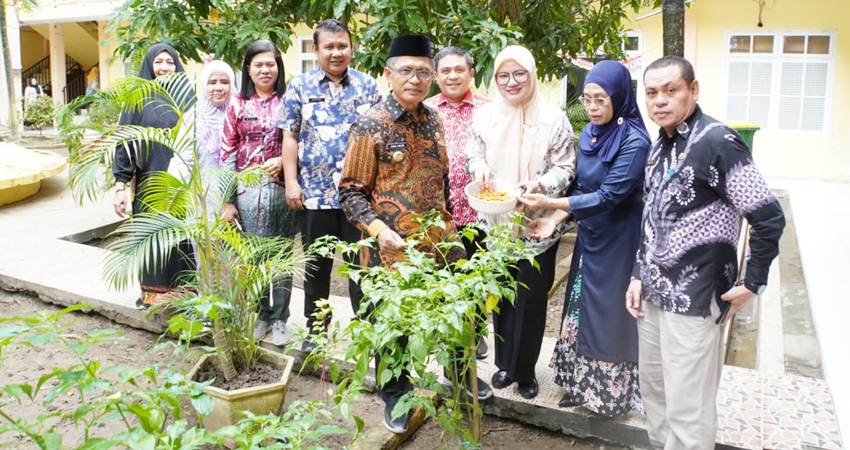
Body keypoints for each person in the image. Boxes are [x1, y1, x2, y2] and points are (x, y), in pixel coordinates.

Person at [626, 56, 785, 449]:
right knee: (656, 396)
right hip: (653, 297)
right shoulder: (659, 145)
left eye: (670, 90)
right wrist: (636, 274)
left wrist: (753, 281)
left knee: (689, 409)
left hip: (695, 302)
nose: (660, 100)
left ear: (693, 91)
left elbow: (768, 216)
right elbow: (652, 217)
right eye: (651, 93)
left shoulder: (718, 141)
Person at [339, 34, 491, 434]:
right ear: (389, 74)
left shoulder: (433, 119)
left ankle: (461, 380)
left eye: (424, 72)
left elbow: (438, 180)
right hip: (390, 251)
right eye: (406, 71)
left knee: (460, 316)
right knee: (394, 332)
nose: (415, 79)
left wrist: (450, 227)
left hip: (441, 243)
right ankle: (397, 399)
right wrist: (377, 229)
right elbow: (350, 192)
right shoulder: (369, 124)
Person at [519, 60, 649, 416]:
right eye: (587, 99)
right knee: (580, 307)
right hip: (590, 238)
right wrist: (555, 219)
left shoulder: (635, 141)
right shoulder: (590, 133)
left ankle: (607, 394)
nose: (591, 107)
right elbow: (582, 187)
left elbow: (609, 195)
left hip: (619, 242)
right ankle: (578, 383)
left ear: (619, 97)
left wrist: (549, 202)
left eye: (600, 100)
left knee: (609, 313)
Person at [466, 45, 576, 400]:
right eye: (503, 75)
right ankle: (503, 365)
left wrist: (541, 185)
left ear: (531, 75)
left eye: (519, 74)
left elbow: (567, 167)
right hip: (496, 222)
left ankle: (526, 371)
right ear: (495, 78)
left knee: (530, 300)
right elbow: (474, 153)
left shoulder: (554, 118)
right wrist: (479, 168)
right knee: (500, 298)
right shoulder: (484, 117)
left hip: (537, 227)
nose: (511, 82)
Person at [279, 19, 381, 351]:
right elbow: (290, 136)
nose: (336, 52)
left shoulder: (368, 87)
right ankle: (316, 331)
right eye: (329, 47)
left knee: (362, 267)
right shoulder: (300, 87)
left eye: (342, 46)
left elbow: (380, 138)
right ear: (316, 50)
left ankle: (368, 331)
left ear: (352, 48)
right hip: (314, 195)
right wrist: (291, 182)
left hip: (359, 198)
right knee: (316, 268)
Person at [219, 40, 295, 346]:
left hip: (282, 192)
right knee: (254, 258)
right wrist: (227, 200)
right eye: (259, 64)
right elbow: (227, 153)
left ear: (279, 67)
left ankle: (280, 319)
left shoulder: (290, 100)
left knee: (282, 257)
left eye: (271, 64)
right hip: (248, 193)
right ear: (248, 70)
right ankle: (262, 315)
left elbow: (303, 140)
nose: (265, 70)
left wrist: (285, 159)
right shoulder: (237, 104)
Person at [112, 43, 197, 309]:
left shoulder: (188, 97)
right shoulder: (137, 98)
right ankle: (152, 295)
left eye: (169, 62)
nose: (164, 67)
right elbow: (125, 141)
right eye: (158, 62)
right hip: (149, 182)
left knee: (178, 241)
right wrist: (120, 184)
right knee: (152, 240)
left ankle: (184, 296)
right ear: (150, 65)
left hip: (182, 183)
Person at [423, 46, 490, 360]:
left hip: (479, 211)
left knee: (476, 276)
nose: (452, 76)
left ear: (471, 73)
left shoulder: (490, 110)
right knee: (442, 277)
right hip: (437, 215)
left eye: (459, 70)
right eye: (445, 71)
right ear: (436, 76)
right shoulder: (423, 110)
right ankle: (445, 334)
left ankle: (476, 334)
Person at [197, 60, 235, 172]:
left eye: (224, 82)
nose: (218, 88)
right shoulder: (193, 116)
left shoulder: (240, 112)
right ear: (204, 85)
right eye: (212, 82)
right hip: (201, 187)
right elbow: (184, 158)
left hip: (237, 185)